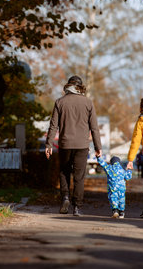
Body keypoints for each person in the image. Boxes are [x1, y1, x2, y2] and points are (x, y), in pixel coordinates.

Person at [45, 75, 102, 217]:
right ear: (80, 86)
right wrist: (98, 147)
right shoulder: (88, 102)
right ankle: (77, 207)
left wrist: (49, 144)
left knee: (64, 173)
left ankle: (65, 197)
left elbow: (53, 125)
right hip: (82, 145)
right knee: (79, 177)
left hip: (65, 144)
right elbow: (94, 127)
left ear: (68, 86)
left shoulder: (60, 102)